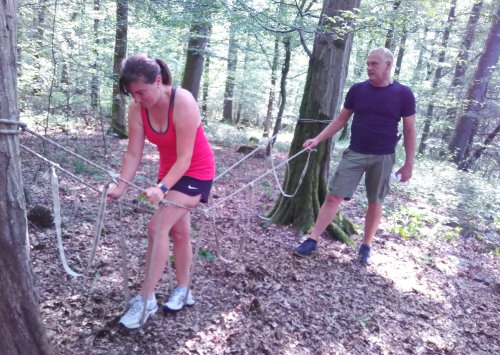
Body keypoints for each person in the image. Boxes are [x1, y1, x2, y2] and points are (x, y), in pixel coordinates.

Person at [107, 54, 215, 329]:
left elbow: (186, 158)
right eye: (133, 94)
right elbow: (133, 154)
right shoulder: (138, 108)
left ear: (158, 81)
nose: (138, 99)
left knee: (157, 228)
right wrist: (120, 186)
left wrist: (162, 187)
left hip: (196, 171)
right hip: (168, 173)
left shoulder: (183, 101)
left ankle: (146, 300)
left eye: (141, 91)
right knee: (179, 231)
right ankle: (184, 288)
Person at [294, 47, 416, 264]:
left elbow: (409, 130)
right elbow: (340, 120)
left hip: (384, 157)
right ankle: (312, 240)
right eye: (368, 64)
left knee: (375, 202)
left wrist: (408, 164)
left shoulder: (403, 94)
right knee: (333, 196)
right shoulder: (358, 91)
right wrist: (318, 139)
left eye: (374, 64)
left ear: (388, 65)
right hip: (355, 153)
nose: (369, 68)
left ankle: (366, 246)